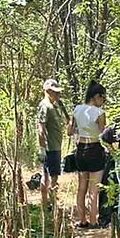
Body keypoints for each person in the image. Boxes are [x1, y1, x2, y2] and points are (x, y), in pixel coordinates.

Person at [67, 80, 107, 229]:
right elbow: (103, 133)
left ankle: (82, 221)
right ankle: (93, 221)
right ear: (96, 96)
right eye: (102, 98)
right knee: (94, 189)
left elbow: (69, 131)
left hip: (80, 150)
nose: (102, 102)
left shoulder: (77, 109)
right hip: (95, 149)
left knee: (81, 188)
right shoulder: (99, 113)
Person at [36, 79, 69, 208]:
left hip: (55, 145)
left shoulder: (55, 105)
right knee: (49, 176)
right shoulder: (45, 106)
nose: (57, 95)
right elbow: (41, 127)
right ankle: (49, 204)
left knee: (53, 175)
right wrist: (42, 147)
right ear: (47, 91)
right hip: (50, 148)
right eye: (55, 93)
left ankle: (50, 203)